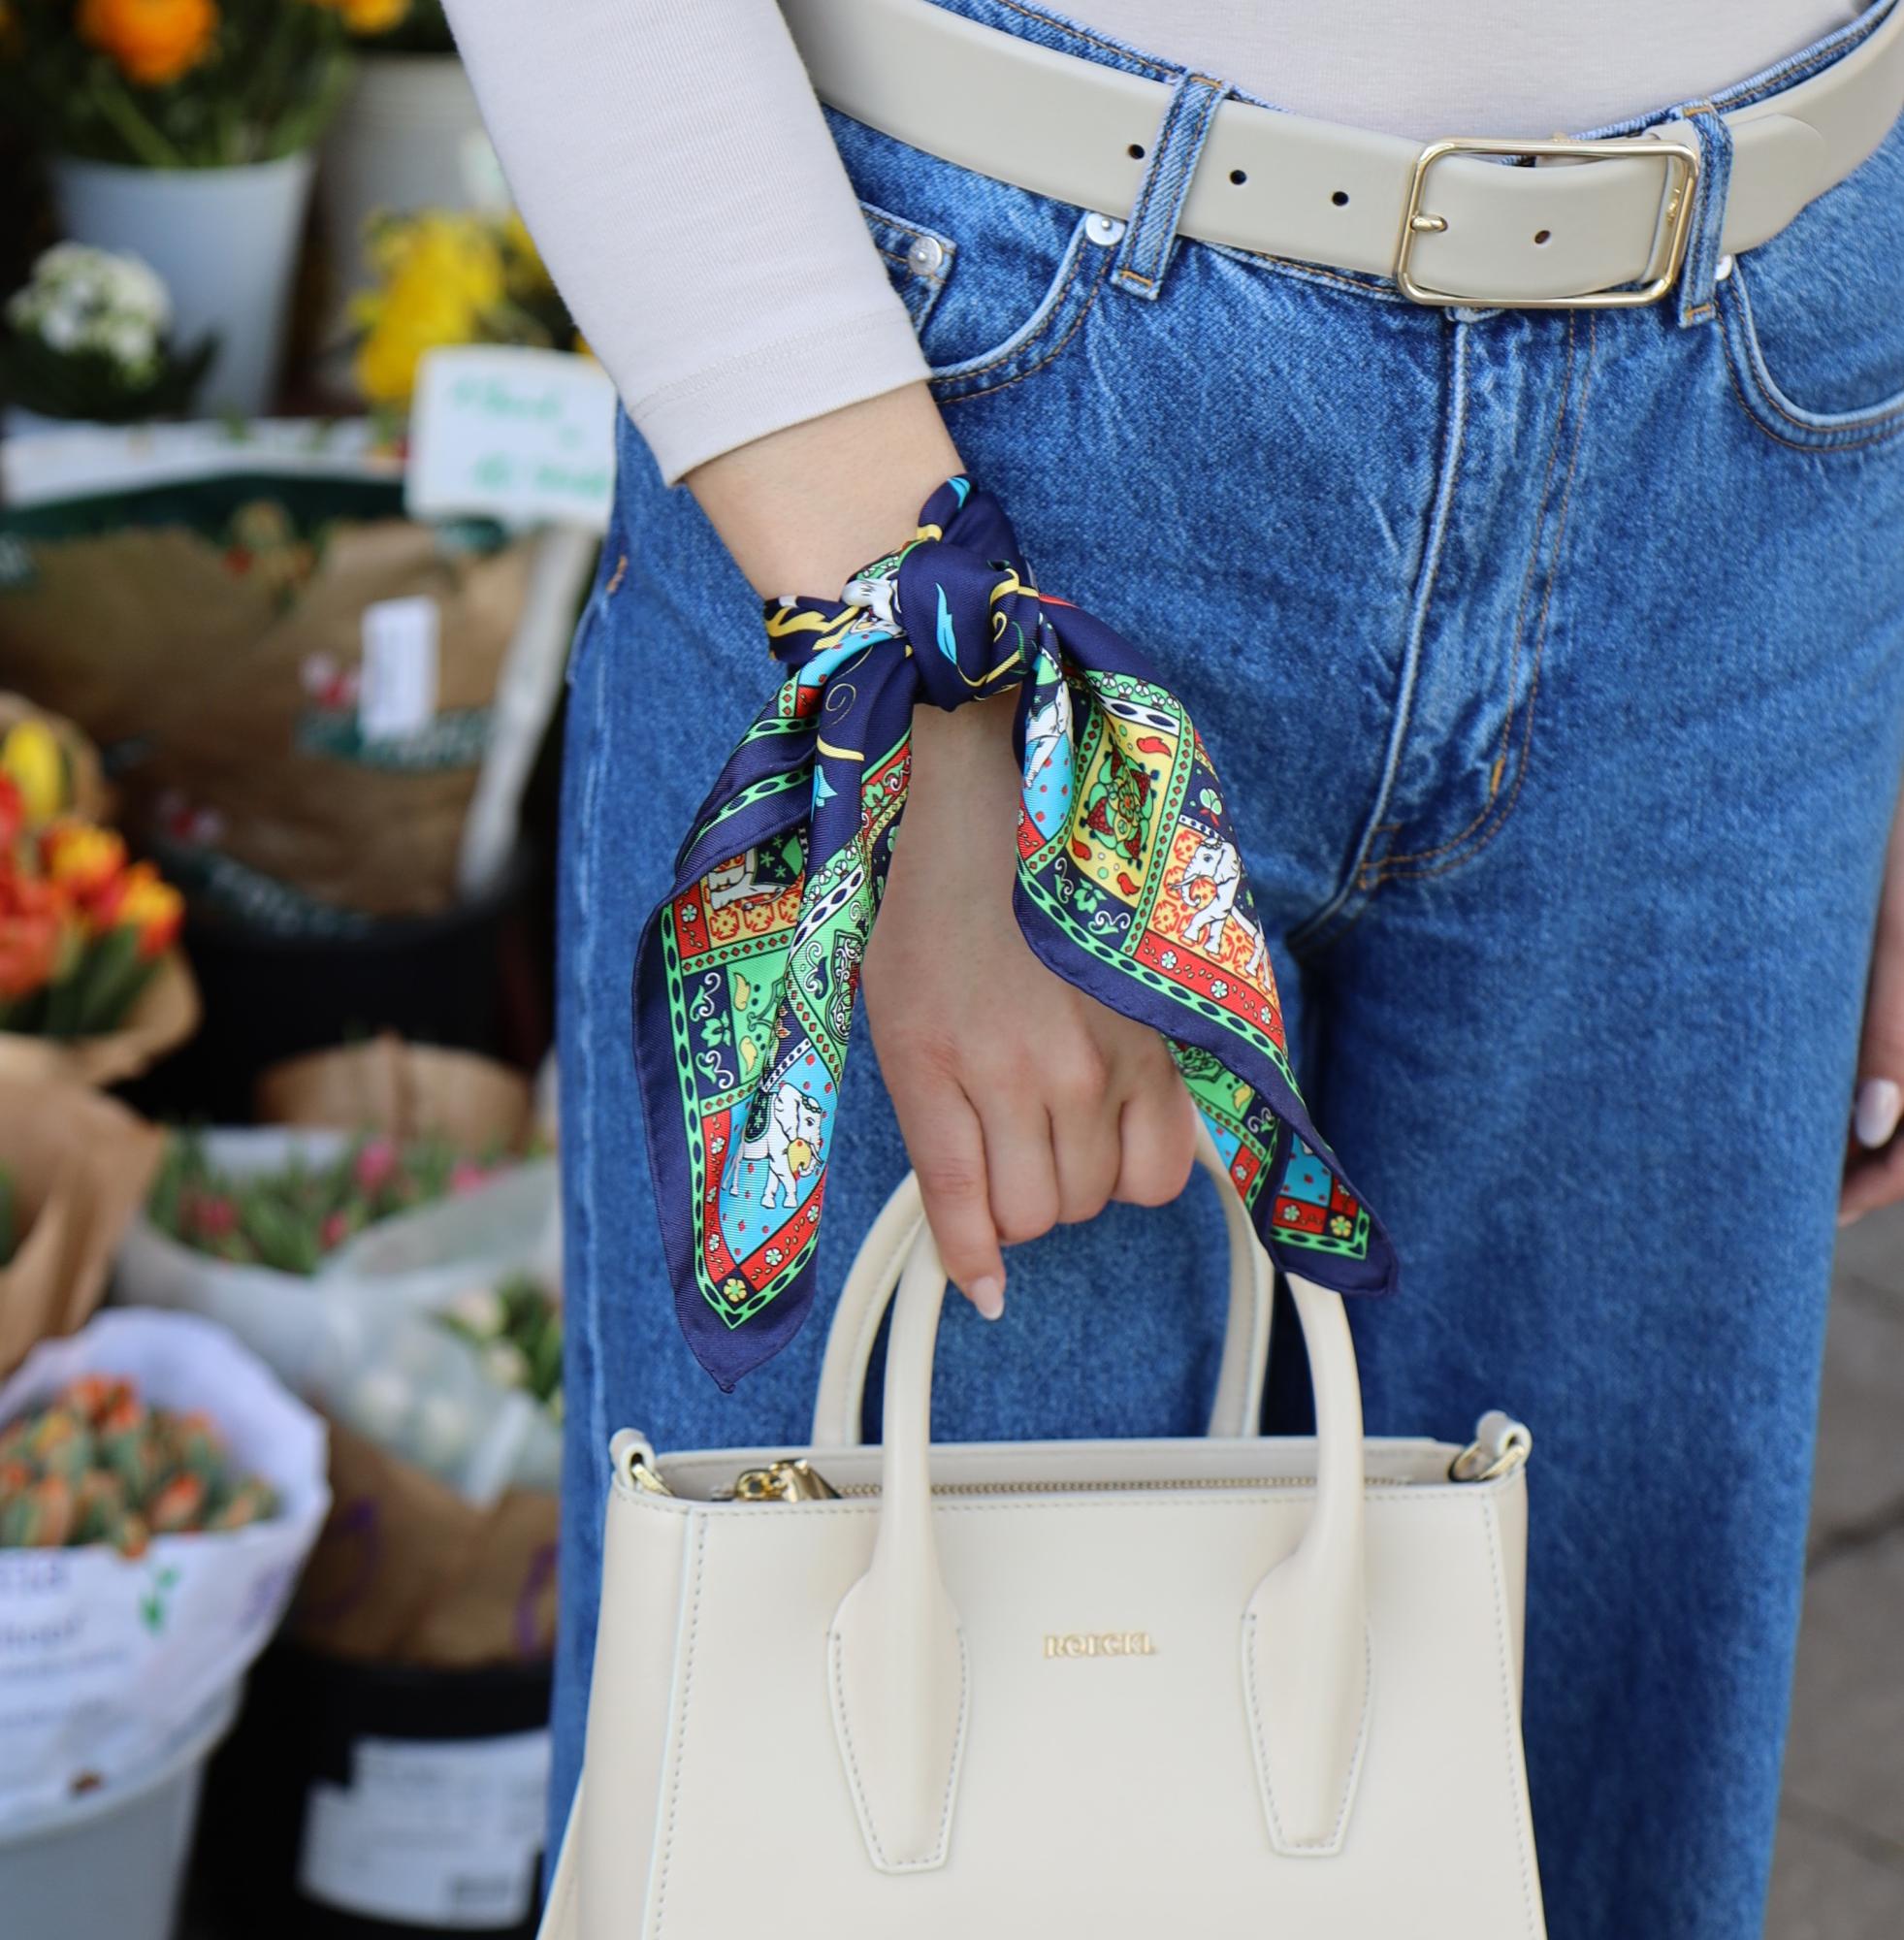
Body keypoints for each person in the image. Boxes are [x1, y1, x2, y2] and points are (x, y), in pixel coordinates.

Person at [440, 4, 1904, 1935]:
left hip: (1767, 450)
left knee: (1580, 1823)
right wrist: (917, 681)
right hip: (984, 422)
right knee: (876, 1814)